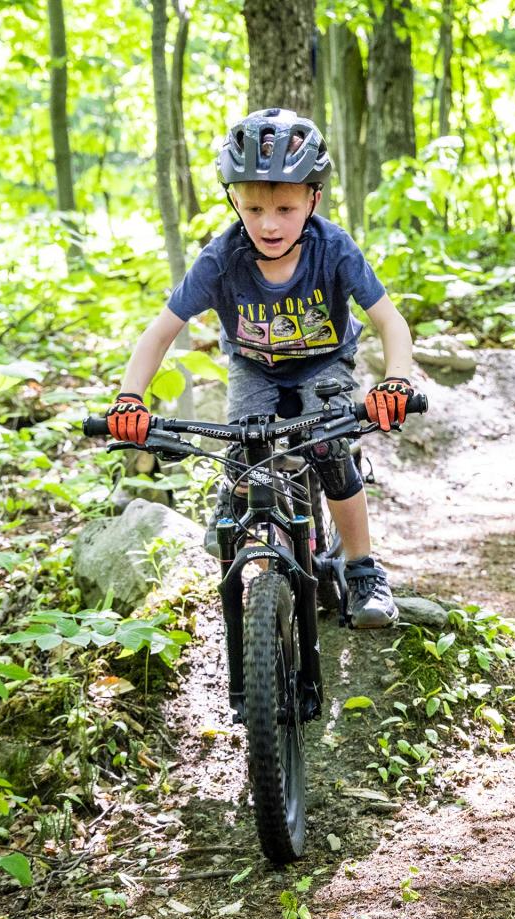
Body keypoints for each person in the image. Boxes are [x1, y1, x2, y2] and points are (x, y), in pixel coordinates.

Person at [106, 108, 417, 628]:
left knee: (329, 448)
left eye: (285, 207)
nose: (269, 223)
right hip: (255, 367)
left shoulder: (333, 249)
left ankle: (364, 570)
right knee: (245, 451)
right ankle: (236, 496)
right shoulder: (221, 258)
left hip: (325, 362)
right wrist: (129, 398)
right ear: (234, 200)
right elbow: (159, 332)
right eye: (253, 208)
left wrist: (398, 378)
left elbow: (390, 321)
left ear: (312, 199)